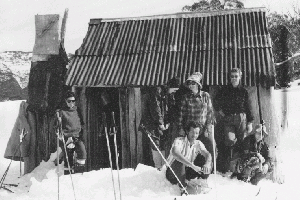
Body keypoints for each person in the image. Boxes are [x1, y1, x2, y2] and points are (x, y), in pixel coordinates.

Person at [214, 68, 254, 171]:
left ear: (240, 77)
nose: (234, 78)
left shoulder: (244, 91)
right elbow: (215, 101)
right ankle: (228, 166)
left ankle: (240, 167)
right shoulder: (224, 90)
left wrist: (250, 122)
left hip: (241, 118)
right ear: (229, 77)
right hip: (228, 119)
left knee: (242, 141)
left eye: (236, 76)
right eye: (232, 76)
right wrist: (220, 111)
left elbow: (248, 107)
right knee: (230, 140)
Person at [177, 72, 217, 162]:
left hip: (203, 128)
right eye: (189, 83)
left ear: (198, 85)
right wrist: (181, 128)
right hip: (191, 129)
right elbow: (181, 114)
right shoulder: (186, 97)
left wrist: (208, 127)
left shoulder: (205, 96)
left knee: (211, 146)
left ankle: (210, 167)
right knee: (189, 150)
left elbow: (210, 113)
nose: (191, 85)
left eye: (193, 83)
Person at [165, 121, 212, 195]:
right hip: (173, 172)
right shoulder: (179, 140)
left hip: (186, 170)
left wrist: (207, 164)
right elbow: (175, 153)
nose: (194, 135)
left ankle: (201, 181)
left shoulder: (198, 143)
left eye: (197, 133)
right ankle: (183, 188)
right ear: (187, 131)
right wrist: (193, 166)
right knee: (180, 161)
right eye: (192, 132)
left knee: (207, 161)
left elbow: (208, 154)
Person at [56, 91, 87, 172]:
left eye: (73, 101)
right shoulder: (61, 111)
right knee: (68, 157)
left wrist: (81, 133)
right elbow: (56, 126)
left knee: (82, 154)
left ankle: (78, 174)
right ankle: (68, 175)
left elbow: (81, 123)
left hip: (77, 137)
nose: (71, 103)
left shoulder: (77, 110)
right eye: (69, 101)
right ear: (65, 101)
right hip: (67, 137)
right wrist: (62, 136)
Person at [139, 86, 167, 169]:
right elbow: (155, 109)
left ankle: (162, 167)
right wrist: (161, 123)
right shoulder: (155, 92)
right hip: (152, 125)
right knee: (157, 145)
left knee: (159, 145)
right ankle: (159, 168)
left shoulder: (156, 92)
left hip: (152, 125)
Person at [164, 77, 180, 158]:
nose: (174, 93)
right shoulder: (165, 97)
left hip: (174, 124)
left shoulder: (174, 97)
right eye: (173, 90)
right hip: (167, 125)